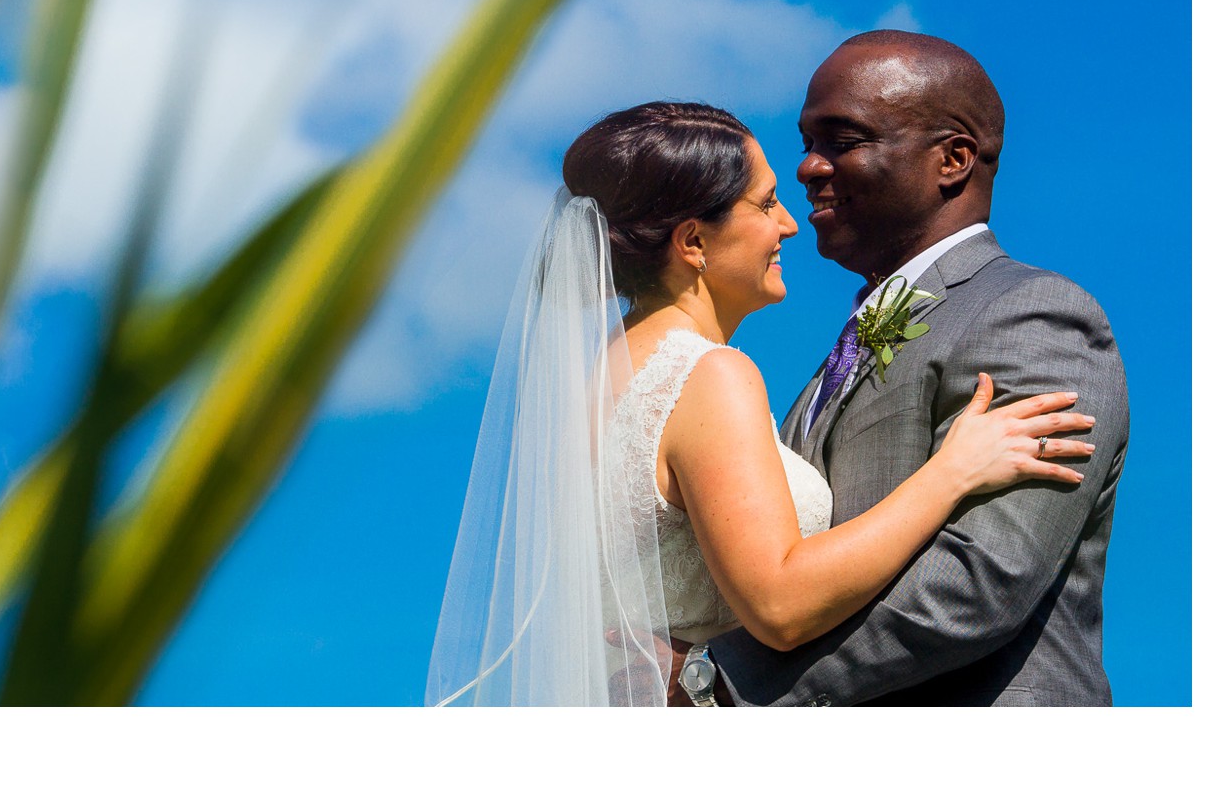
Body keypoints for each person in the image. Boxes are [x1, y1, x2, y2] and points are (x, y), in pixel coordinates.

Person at [425, 90, 1098, 707]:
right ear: (692, 242)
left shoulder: (592, 385)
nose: (789, 225)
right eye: (764, 203)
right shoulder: (708, 375)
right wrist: (953, 472)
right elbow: (778, 602)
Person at [684, 31, 1130, 706]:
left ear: (952, 159)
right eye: (808, 140)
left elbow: (980, 579)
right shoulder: (827, 367)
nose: (806, 167)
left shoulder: (1035, 315)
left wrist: (717, 689)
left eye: (842, 139)